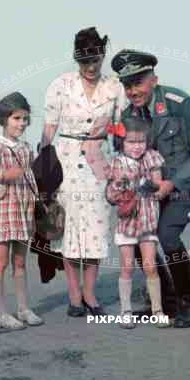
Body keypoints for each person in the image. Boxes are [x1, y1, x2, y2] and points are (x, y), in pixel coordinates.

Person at [111, 49, 190, 328]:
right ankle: (163, 301)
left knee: (167, 236)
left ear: (153, 80)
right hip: (148, 191)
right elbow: (122, 158)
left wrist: (172, 183)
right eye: (127, 84)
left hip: (185, 186)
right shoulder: (126, 116)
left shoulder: (179, 104)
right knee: (135, 239)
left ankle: (186, 299)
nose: (132, 91)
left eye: (138, 82)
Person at [41, 27, 126, 317]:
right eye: (85, 62)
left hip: (98, 163)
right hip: (65, 164)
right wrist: (43, 166)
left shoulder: (114, 87)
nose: (91, 68)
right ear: (76, 59)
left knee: (97, 230)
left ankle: (90, 293)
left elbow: (121, 129)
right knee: (69, 231)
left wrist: (110, 132)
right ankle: (74, 296)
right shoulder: (60, 85)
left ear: (102, 57)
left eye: (96, 61)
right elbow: (49, 128)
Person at [0, 92, 44, 330]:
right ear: (4, 119)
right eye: (17, 118)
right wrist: (6, 176)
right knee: (1, 262)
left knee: (20, 262)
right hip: (4, 211)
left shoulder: (25, 148)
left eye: (25, 119)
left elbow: (29, 180)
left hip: (22, 210)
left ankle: (23, 309)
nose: (22, 124)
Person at [106, 117, 170, 329]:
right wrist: (118, 188)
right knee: (127, 267)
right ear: (121, 142)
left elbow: (158, 183)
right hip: (127, 222)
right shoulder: (116, 162)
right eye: (131, 142)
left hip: (148, 220)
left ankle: (157, 310)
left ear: (147, 141)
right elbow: (110, 195)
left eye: (141, 141)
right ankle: (126, 311)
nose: (137, 146)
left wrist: (144, 183)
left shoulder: (151, 157)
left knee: (151, 266)